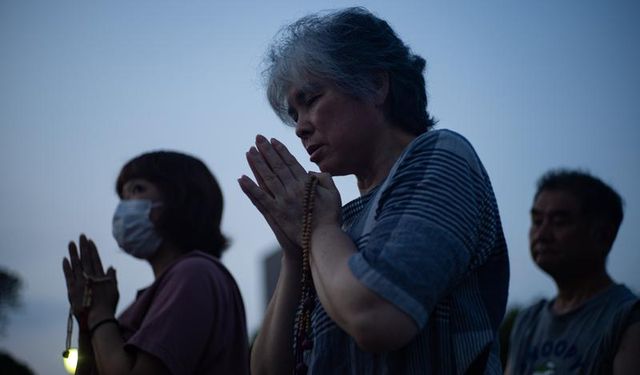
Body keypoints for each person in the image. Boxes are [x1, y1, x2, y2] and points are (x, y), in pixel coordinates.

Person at [239, 7, 509, 374]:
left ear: (376, 85)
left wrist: (318, 228)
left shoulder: (441, 155)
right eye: (294, 114)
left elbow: (377, 316)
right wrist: (293, 252)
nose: (300, 127)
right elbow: (268, 370)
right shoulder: (337, 226)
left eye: (312, 99)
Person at [62, 151, 249, 375]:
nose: (124, 206)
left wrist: (100, 314)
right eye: (123, 196)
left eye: (137, 190)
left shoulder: (195, 274)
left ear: (181, 198)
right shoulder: (161, 292)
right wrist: (87, 321)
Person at [506, 169, 640, 374]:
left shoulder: (627, 319)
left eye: (559, 221)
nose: (542, 234)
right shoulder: (527, 321)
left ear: (603, 235)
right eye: (537, 221)